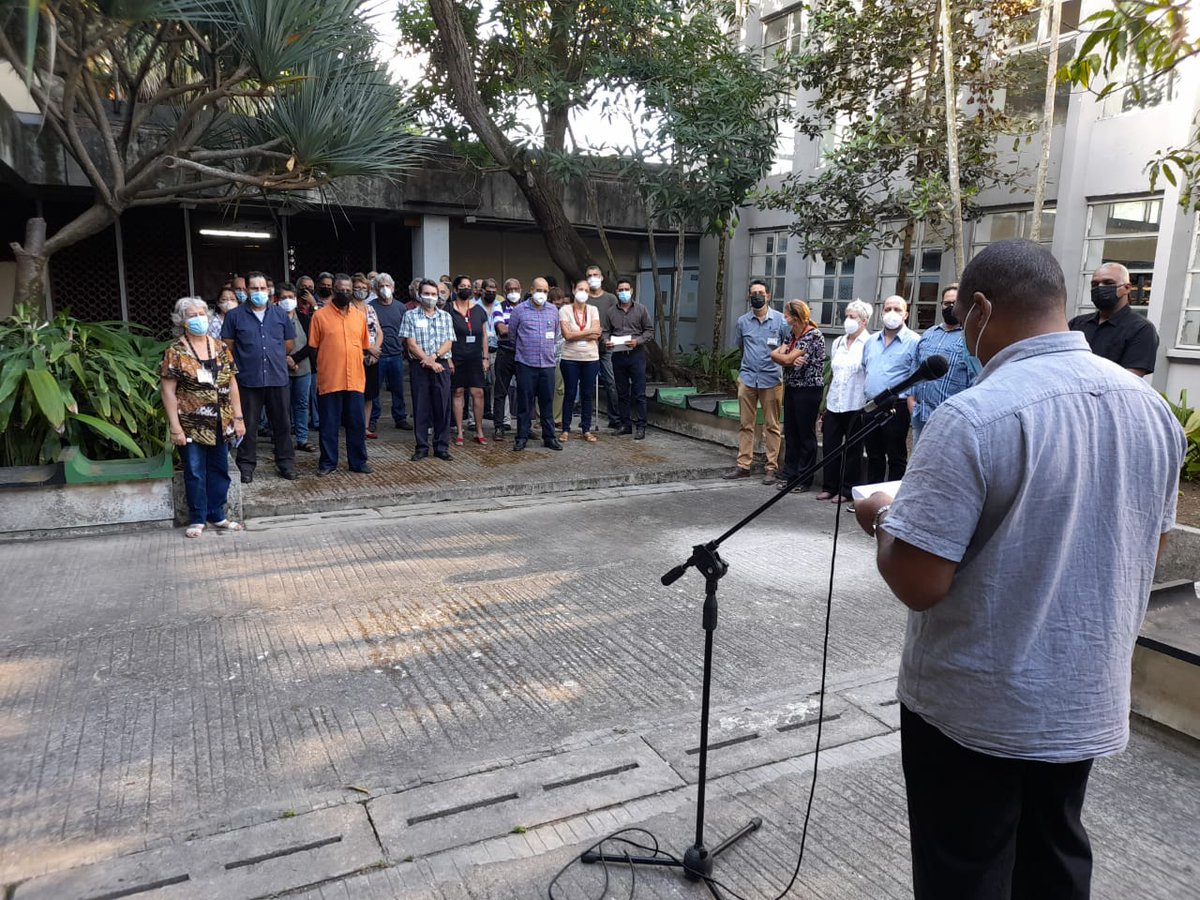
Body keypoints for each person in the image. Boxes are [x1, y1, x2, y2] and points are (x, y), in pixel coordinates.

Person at [852, 238, 1185, 900]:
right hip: (1080, 699)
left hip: (976, 714)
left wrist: (887, 520)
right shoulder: (1152, 411)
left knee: (967, 873)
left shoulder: (974, 415)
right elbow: (1146, 552)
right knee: (1054, 861)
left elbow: (920, 585)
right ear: (1061, 304)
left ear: (978, 309)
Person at [160, 297, 246, 538]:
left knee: (220, 469)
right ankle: (197, 517)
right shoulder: (175, 351)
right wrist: (175, 427)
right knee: (195, 470)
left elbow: (232, 383)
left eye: (201, 313)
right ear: (182, 321)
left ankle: (217, 514)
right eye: (192, 315)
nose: (198, 318)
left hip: (221, 420)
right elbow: (167, 390)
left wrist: (238, 419)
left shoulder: (220, 347)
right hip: (191, 424)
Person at [220, 270, 294, 483]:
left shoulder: (280, 314)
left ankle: (286, 464)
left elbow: (288, 344)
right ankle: (246, 466)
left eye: (262, 288)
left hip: (277, 378)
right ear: (246, 290)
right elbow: (228, 347)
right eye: (254, 288)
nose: (259, 292)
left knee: (282, 424)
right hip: (248, 379)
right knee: (248, 426)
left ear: (268, 291)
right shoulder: (235, 316)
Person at [306, 274, 372, 475]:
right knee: (329, 424)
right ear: (333, 290)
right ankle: (328, 463)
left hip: (355, 380)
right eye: (341, 290)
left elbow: (363, 346)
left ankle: (358, 462)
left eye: (348, 290)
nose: (345, 293)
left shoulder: (360, 316)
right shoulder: (319, 316)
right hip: (330, 379)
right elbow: (313, 347)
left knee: (356, 424)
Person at [726, 279, 787, 481]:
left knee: (772, 425)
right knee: (746, 424)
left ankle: (771, 467)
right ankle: (743, 465)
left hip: (772, 379)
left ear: (768, 295)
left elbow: (788, 347)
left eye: (761, 292)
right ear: (748, 296)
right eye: (754, 293)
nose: (757, 296)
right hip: (748, 378)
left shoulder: (780, 321)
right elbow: (741, 347)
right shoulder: (743, 321)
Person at [817, 299, 872, 502]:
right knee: (830, 446)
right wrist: (824, 406)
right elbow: (833, 373)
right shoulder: (839, 342)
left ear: (864, 321)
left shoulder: (869, 344)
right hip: (835, 403)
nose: (848, 320)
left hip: (856, 403)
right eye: (847, 316)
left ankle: (847, 489)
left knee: (853, 449)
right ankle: (829, 486)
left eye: (853, 317)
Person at [862, 294, 919, 484]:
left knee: (896, 456)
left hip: (897, 407)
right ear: (881, 313)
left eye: (897, 309)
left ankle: (892, 502)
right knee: (873, 454)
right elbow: (866, 368)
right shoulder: (871, 341)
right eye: (887, 309)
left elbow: (916, 377)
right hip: (871, 405)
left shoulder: (915, 342)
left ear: (906, 315)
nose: (891, 313)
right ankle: (871, 498)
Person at [770, 300, 825, 492]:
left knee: (805, 434)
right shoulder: (793, 334)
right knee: (791, 433)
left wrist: (786, 359)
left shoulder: (813, 335)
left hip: (808, 390)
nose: (784, 319)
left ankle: (804, 478)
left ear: (796, 316)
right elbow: (777, 355)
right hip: (792, 386)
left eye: (786, 315)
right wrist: (787, 360)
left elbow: (784, 357)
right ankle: (789, 474)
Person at [907, 284, 973, 445]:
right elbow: (915, 369)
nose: (950, 307)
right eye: (946, 303)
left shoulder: (970, 339)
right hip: (920, 418)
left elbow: (974, 381)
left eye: (954, 303)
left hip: (950, 423)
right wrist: (911, 403)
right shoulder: (929, 334)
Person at [1069, 262, 1159, 377]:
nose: (1100, 288)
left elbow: (1130, 379)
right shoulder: (1077, 324)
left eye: (1108, 283)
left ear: (1127, 288)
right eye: (1095, 284)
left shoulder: (1141, 329)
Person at [400, 279, 456, 461]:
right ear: (419, 294)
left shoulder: (445, 316)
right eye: (427, 293)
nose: (431, 297)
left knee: (442, 406)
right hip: (420, 366)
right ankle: (421, 447)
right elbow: (411, 344)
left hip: (441, 364)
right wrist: (428, 361)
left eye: (434, 294)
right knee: (421, 407)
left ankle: (441, 447)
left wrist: (434, 357)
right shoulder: (410, 316)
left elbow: (449, 342)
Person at [510, 277, 562, 451]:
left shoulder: (553, 310)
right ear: (531, 290)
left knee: (547, 402)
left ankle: (549, 437)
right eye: (539, 290)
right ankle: (522, 437)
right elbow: (512, 335)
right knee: (525, 403)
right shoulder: (519, 310)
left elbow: (555, 335)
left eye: (545, 291)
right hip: (526, 364)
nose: (542, 294)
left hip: (547, 364)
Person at [602, 277, 654, 440]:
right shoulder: (611, 312)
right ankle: (625, 424)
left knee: (639, 392)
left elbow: (649, 331)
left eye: (626, 289)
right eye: (620, 290)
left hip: (636, 355)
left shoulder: (641, 309)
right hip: (618, 355)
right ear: (616, 292)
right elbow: (605, 331)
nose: (623, 292)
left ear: (631, 291)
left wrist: (637, 341)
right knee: (621, 392)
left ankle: (641, 426)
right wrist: (606, 342)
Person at [448, 274, 491, 446]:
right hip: (456, 356)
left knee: (477, 393)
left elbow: (485, 335)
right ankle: (459, 431)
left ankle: (479, 430)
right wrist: (448, 359)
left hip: (475, 357)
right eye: (462, 286)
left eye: (468, 286)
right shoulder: (448, 309)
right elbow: (445, 336)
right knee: (458, 392)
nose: (466, 288)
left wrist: (485, 357)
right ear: (456, 289)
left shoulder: (479, 310)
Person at [560, 278, 603, 442]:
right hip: (570, 358)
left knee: (587, 393)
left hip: (591, 358)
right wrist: (589, 332)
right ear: (573, 289)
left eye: (586, 290)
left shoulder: (593, 310)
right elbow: (567, 335)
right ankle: (565, 429)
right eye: (580, 289)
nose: (583, 292)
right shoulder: (564, 310)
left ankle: (586, 429)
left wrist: (576, 333)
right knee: (570, 393)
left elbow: (597, 334)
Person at [369, 273, 412, 433]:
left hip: (396, 355)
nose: (385, 289)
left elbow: (406, 332)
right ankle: (373, 419)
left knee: (398, 389)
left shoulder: (401, 307)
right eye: (381, 286)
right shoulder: (371, 307)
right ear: (376, 288)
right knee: (374, 390)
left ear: (393, 288)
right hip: (378, 355)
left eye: (388, 285)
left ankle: (400, 418)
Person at [278, 283, 315, 453]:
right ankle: (282, 442)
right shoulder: (273, 319)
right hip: (279, 369)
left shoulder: (305, 318)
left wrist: (294, 359)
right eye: (284, 298)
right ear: (277, 300)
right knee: (281, 406)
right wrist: (285, 359)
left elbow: (312, 343)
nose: (288, 301)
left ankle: (302, 439)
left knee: (301, 404)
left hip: (303, 367)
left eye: (291, 297)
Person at [586, 264, 621, 429]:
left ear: (601, 277)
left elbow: (617, 322)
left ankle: (614, 417)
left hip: (606, 348)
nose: (593, 277)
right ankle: (585, 418)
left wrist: (607, 335)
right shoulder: (583, 297)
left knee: (610, 382)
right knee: (585, 383)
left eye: (595, 274)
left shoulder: (611, 299)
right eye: (589, 275)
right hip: (586, 347)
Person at [352, 273, 383, 438]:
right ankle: (355, 427)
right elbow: (351, 335)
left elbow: (379, 332)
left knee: (369, 394)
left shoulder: (370, 308)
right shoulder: (348, 308)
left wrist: (376, 350)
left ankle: (365, 427)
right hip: (356, 356)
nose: (360, 291)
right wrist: (368, 349)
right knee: (356, 394)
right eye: (357, 288)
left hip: (373, 357)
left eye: (364, 288)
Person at [491, 278, 522, 438]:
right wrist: (522, 328)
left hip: (523, 354)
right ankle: (498, 427)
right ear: (504, 292)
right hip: (505, 353)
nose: (513, 292)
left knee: (525, 391)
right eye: (510, 290)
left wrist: (513, 327)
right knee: (500, 391)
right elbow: (502, 329)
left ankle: (525, 428)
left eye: (516, 289)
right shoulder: (499, 306)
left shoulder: (527, 307)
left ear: (521, 289)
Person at [479, 278, 500, 420]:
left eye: (494, 292)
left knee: (497, 384)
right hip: (480, 349)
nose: (491, 294)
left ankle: (495, 413)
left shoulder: (500, 305)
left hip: (498, 348)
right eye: (488, 291)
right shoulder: (474, 306)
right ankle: (474, 418)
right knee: (477, 385)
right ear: (482, 291)